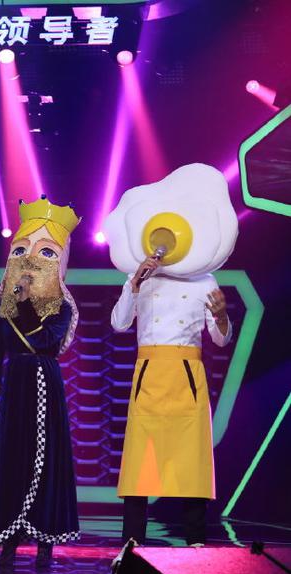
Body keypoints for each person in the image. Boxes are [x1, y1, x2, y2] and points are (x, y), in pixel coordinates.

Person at [104, 164, 238, 547]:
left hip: (186, 375)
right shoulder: (139, 278)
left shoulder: (204, 281)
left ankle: (195, 541)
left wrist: (222, 316)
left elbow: (220, 340)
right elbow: (119, 323)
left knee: (191, 461)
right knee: (139, 465)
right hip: (148, 375)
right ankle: (132, 543)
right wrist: (134, 284)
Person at [0, 196, 82, 568]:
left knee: (44, 457)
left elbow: (44, 341)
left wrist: (23, 305)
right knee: (12, 459)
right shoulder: (3, 304)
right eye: (22, 250)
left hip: (43, 381)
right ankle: (9, 539)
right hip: (15, 384)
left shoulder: (62, 306)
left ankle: (44, 540)